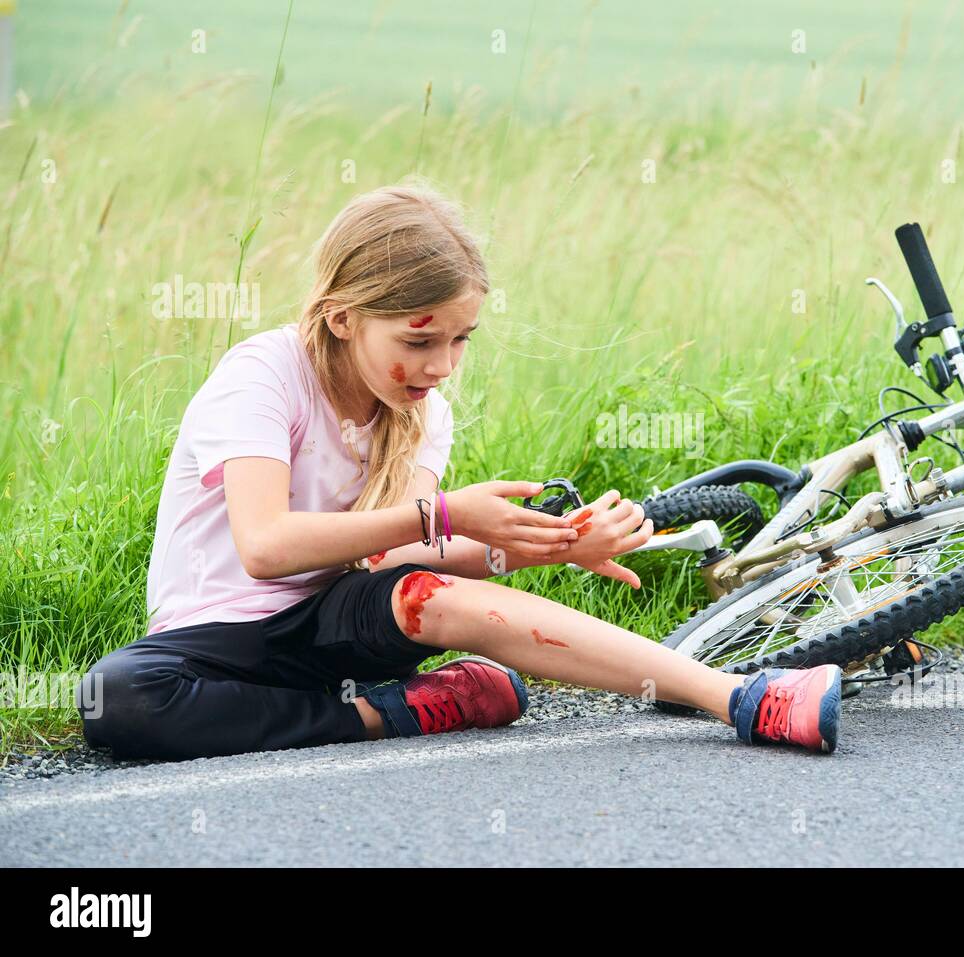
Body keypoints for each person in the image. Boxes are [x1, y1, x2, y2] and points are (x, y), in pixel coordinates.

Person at [76, 183, 842, 761]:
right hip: (214, 645)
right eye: (418, 339)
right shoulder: (262, 377)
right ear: (343, 317)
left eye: (460, 339)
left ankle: (742, 696)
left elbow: (400, 560)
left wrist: (550, 543)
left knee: (429, 593)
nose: (439, 366)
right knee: (113, 698)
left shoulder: (421, 409)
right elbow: (266, 547)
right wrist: (442, 514)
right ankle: (393, 712)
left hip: (335, 626)